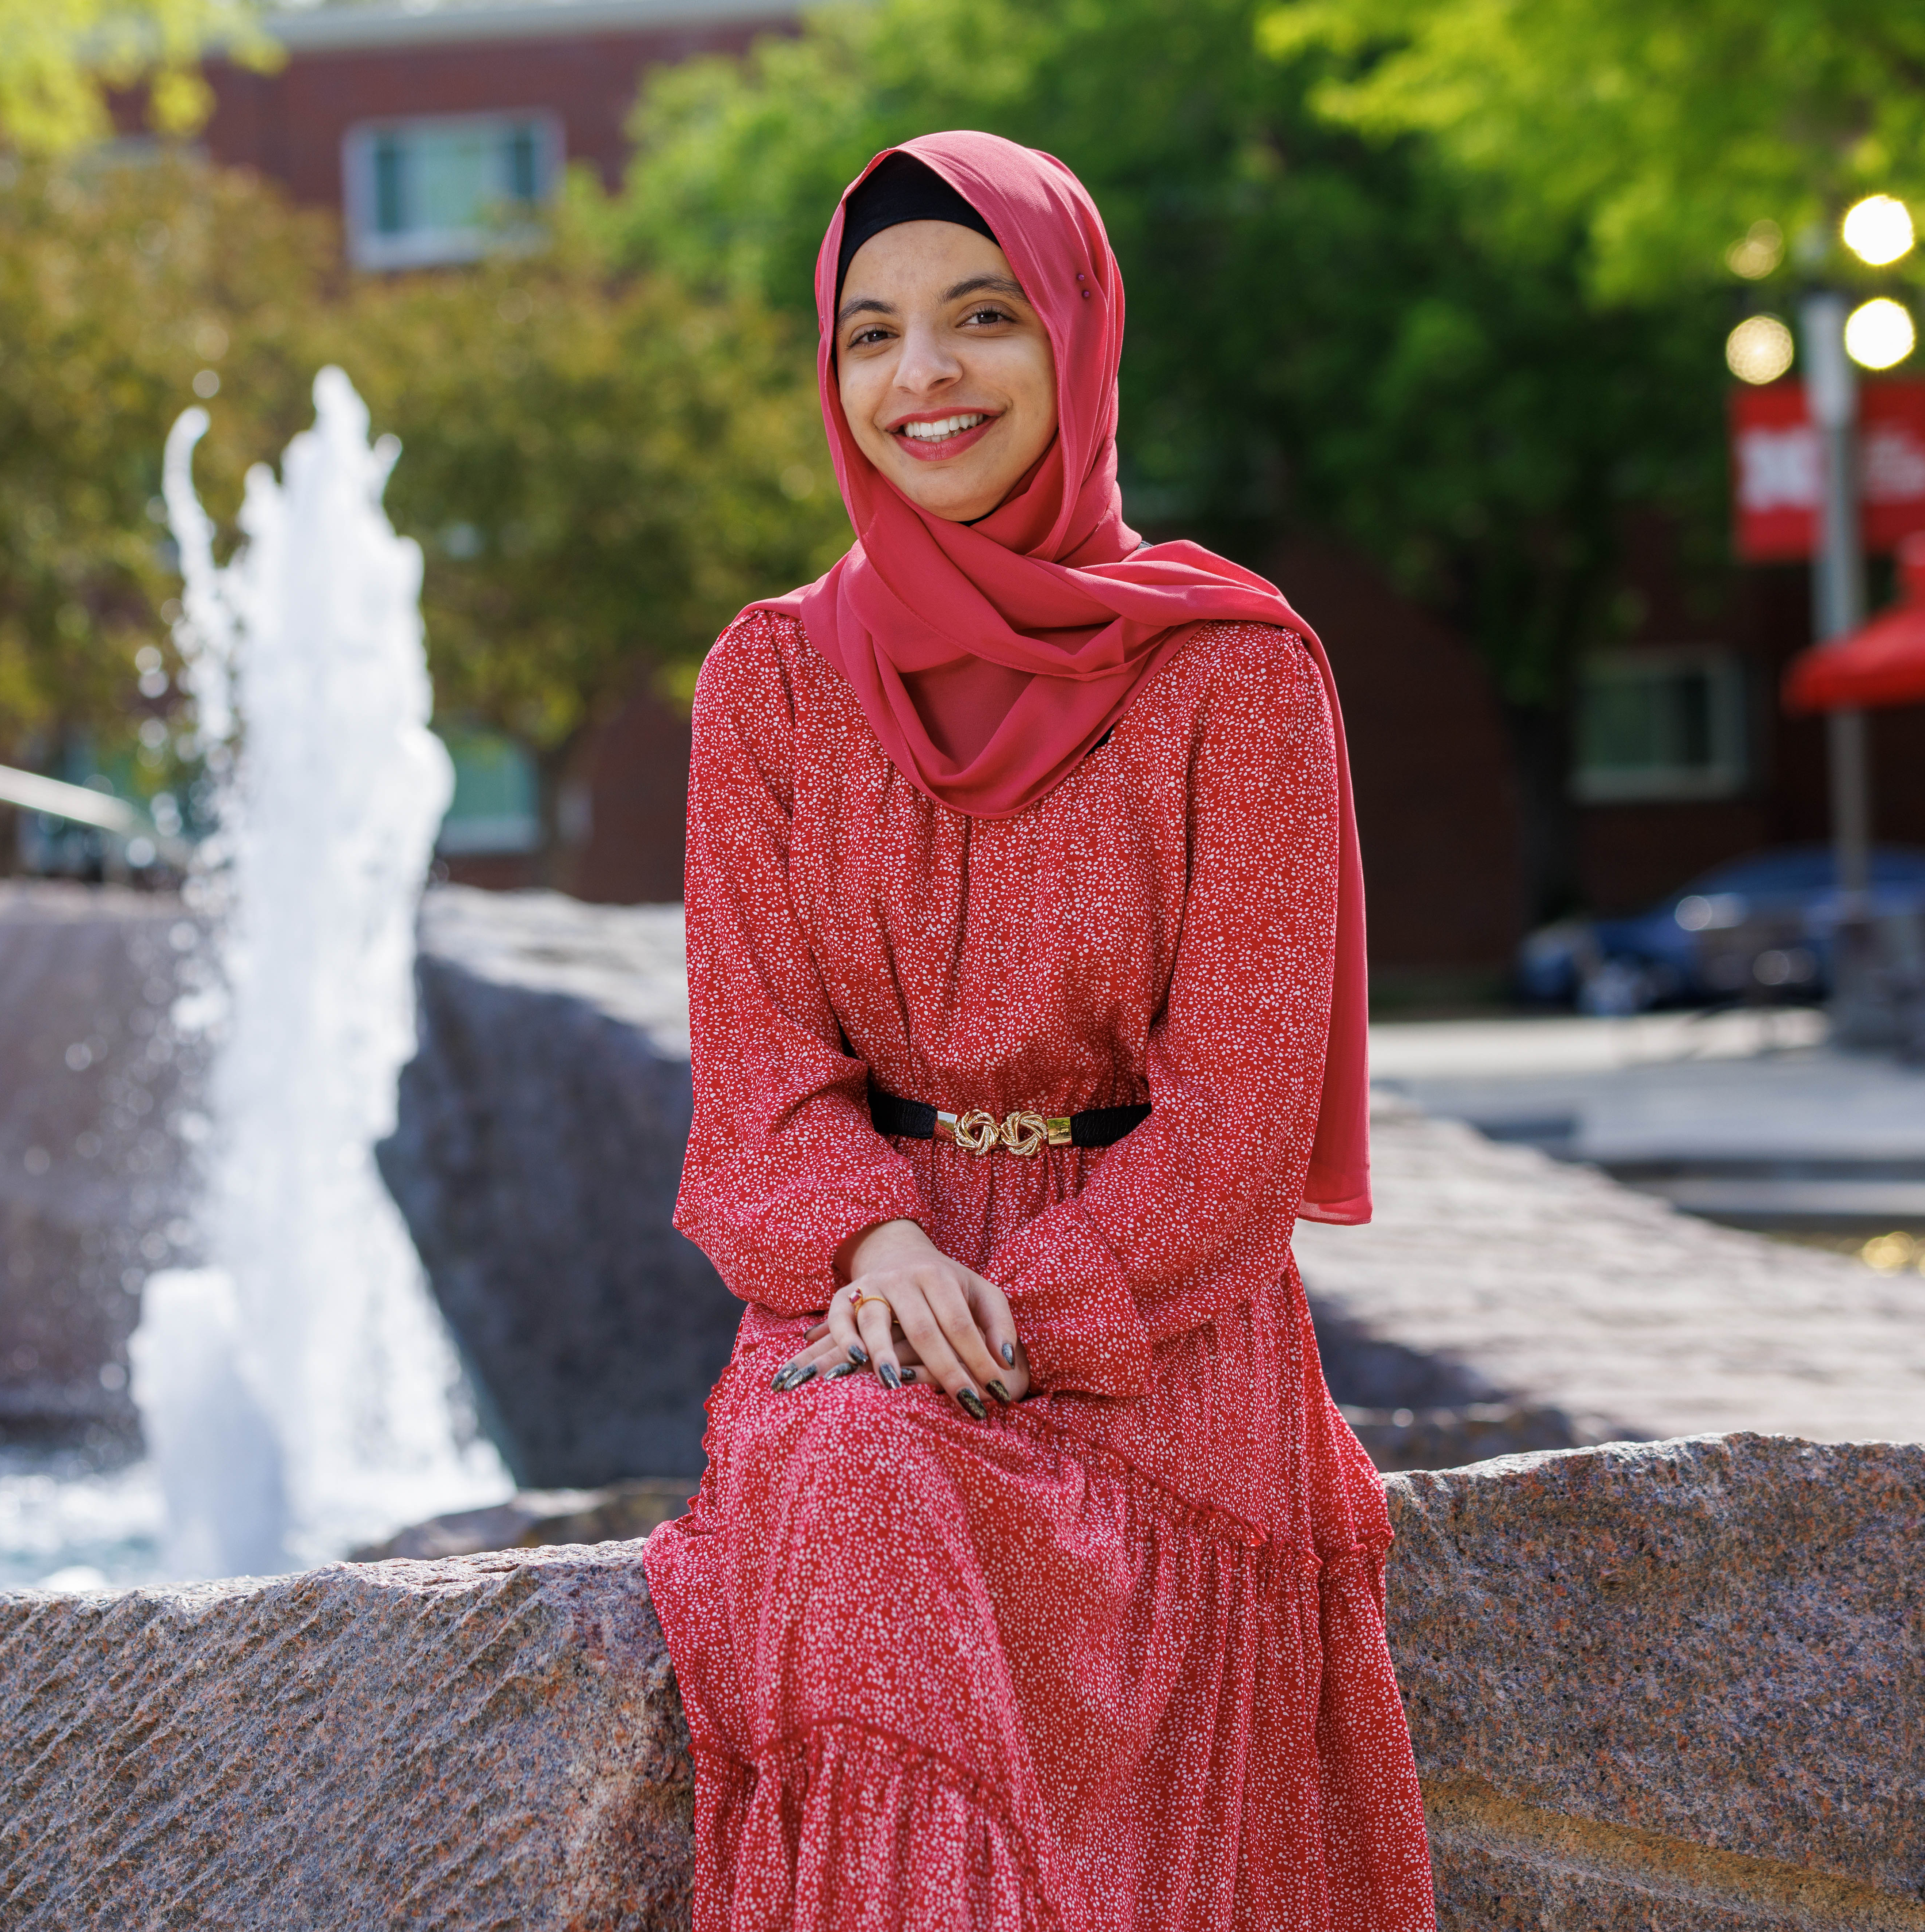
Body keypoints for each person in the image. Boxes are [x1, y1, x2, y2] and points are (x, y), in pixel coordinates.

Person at [639, 132, 1439, 1931]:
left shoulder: (1235, 673)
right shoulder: (765, 681)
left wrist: (1023, 1313)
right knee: (853, 1465)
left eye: (980, 318)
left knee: (901, 1472)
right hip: (862, 1294)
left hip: (1157, 1325)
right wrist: (885, 1249)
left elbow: (1238, 1130)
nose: (922, 378)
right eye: (870, 334)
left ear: (1073, 341)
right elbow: (758, 1081)